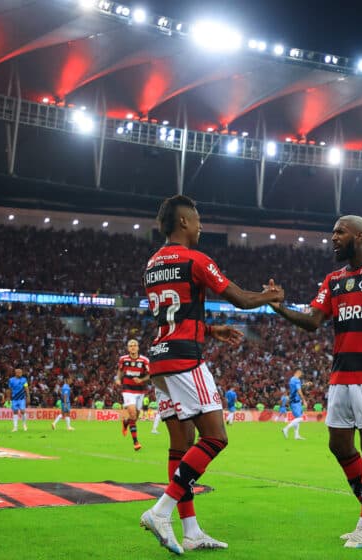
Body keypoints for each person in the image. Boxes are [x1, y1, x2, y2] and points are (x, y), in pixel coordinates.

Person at [267, 215, 362, 549]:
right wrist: (278, 306)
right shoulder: (334, 279)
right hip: (340, 374)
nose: (333, 237)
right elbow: (312, 321)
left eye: (340, 232)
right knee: (338, 445)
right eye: (333, 232)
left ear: (360, 235)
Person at [139, 195, 284, 554]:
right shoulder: (196, 259)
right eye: (198, 219)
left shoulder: (153, 263)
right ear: (184, 222)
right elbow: (238, 297)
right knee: (216, 438)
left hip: (159, 359)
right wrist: (268, 296)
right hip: (186, 360)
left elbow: (174, 315)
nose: (201, 226)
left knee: (180, 445)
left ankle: (190, 531)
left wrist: (209, 329)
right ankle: (161, 510)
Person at [116, 339, 150, 451]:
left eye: (135, 345)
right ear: (128, 348)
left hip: (140, 391)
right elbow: (120, 371)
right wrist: (118, 379)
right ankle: (136, 442)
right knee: (132, 413)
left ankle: (126, 422)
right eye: (130, 346)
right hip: (127, 390)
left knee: (135, 417)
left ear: (138, 347)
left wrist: (141, 380)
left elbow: (150, 374)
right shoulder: (123, 359)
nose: (133, 347)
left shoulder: (144, 360)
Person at [282, 370, 308, 440]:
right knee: (300, 418)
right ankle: (286, 428)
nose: (301, 375)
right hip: (295, 401)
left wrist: (305, 384)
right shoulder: (297, 380)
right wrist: (304, 400)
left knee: (297, 418)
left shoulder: (292, 379)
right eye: (301, 374)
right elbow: (299, 390)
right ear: (298, 373)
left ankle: (296, 435)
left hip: (293, 400)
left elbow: (296, 388)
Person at [8, 368, 30, 432]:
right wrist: (9, 398)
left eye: (21, 372)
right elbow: (9, 389)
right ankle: (15, 427)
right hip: (14, 399)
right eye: (19, 372)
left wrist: (28, 396)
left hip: (21, 398)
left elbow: (26, 388)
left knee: (23, 411)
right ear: (16, 373)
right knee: (15, 412)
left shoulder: (24, 379)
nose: (21, 373)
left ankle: (24, 425)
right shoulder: (11, 380)